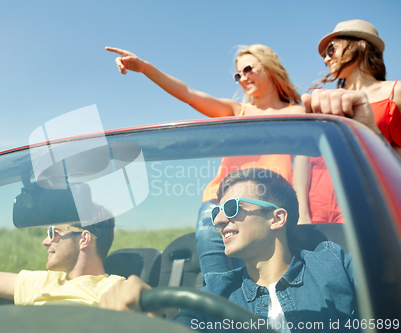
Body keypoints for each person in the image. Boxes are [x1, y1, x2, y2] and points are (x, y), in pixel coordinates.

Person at [106, 44, 306, 274]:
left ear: (269, 67)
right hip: (220, 203)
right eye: (237, 75)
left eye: (248, 69)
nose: (242, 78)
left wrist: (304, 214)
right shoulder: (236, 111)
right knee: (218, 279)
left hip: (268, 207)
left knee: (263, 278)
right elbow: (189, 95)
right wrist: (145, 68)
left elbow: (303, 167)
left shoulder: (296, 114)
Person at [100, 167, 357, 332]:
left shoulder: (334, 263)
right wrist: (149, 321)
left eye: (232, 208)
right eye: (217, 211)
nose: (219, 220)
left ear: (277, 218)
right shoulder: (214, 293)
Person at [0, 206, 124, 318]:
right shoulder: (42, 281)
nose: (45, 241)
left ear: (84, 239)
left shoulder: (116, 288)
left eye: (54, 232)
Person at [295, 19, 399, 224]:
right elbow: (303, 159)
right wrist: (302, 214)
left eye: (331, 49)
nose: (326, 59)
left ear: (361, 45)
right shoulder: (324, 101)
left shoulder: (396, 92)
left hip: (371, 209)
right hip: (318, 211)